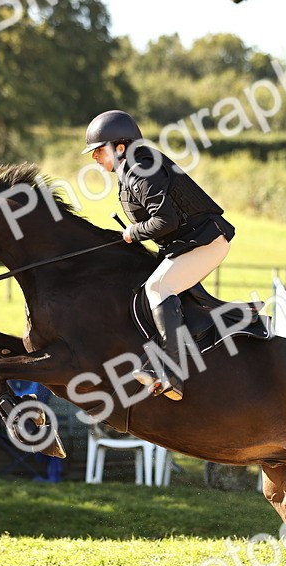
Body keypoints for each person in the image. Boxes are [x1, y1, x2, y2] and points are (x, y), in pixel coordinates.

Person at [84, 109, 235, 402]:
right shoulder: (131, 168)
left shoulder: (141, 169)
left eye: (98, 150)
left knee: (158, 287)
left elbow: (166, 221)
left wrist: (133, 232)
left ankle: (172, 373)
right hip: (188, 243)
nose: (94, 158)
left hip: (207, 242)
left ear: (119, 147)